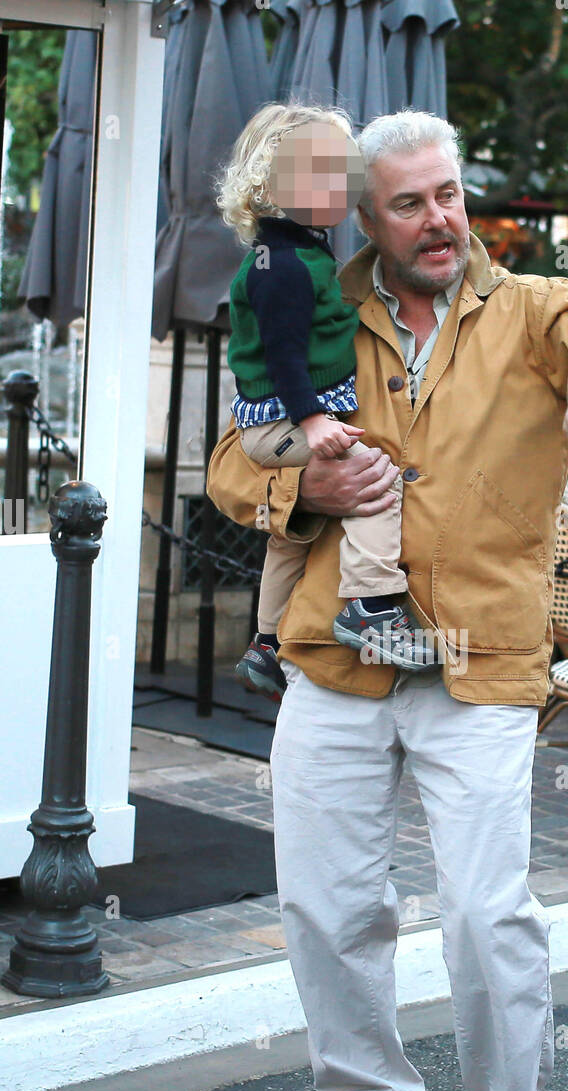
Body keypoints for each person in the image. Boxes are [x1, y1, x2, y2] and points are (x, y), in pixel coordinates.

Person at [207, 109, 568, 1091]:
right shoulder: (318, 304)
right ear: (365, 219)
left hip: (480, 661)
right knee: (326, 902)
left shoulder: (530, 312)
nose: (439, 220)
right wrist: (301, 490)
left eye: (449, 195)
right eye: (409, 203)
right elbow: (232, 465)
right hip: (338, 654)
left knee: (484, 910)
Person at [217, 103, 437, 702]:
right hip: (288, 418)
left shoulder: (296, 253)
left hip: (281, 418)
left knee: (290, 534)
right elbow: (286, 356)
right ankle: (369, 605)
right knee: (373, 481)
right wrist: (315, 423)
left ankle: (265, 642)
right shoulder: (285, 266)